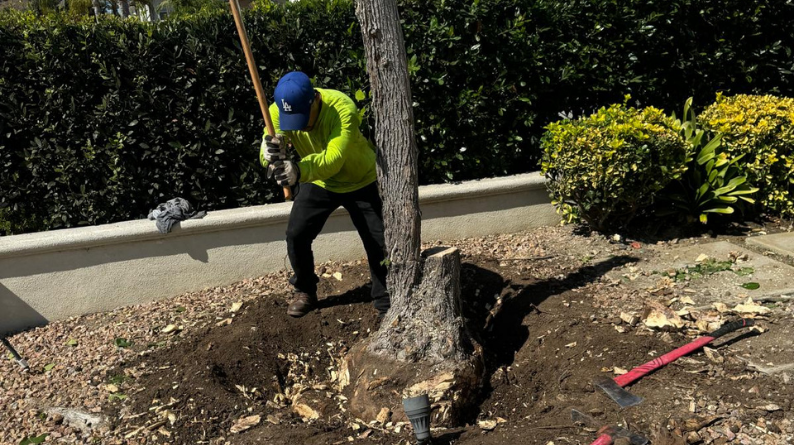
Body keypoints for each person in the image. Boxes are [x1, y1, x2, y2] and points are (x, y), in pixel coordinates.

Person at [260, 71, 390, 319]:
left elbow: (334, 159)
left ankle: (385, 300)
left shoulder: (342, 107)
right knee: (296, 235)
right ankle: (304, 290)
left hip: (360, 179)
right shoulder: (278, 110)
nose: (300, 126)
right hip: (319, 180)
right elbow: (269, 143)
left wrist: (298, 170)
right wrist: (268, 153)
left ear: (315, 100)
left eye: (302, 118)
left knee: (379, 243)